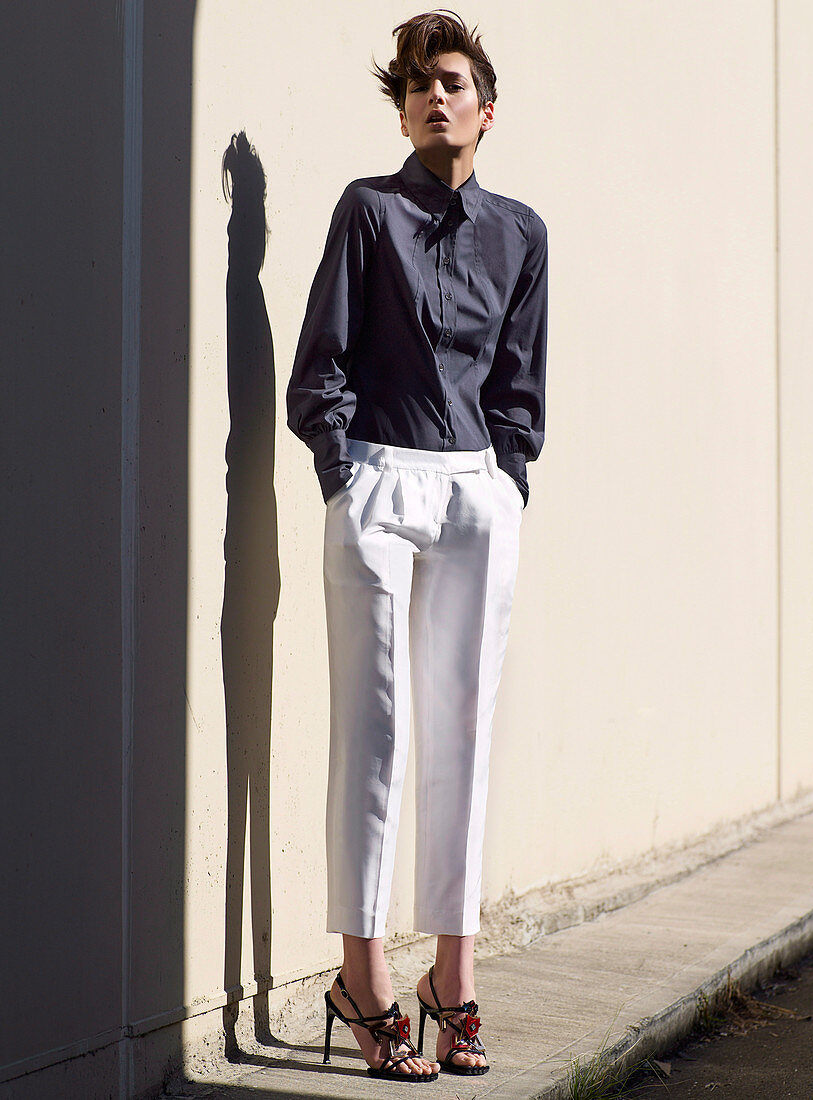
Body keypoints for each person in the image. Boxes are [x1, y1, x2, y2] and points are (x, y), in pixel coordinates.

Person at [286, 9, 547, 1082]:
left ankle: (455, 973)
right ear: (403, 111)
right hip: (380, 482)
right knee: (378, 731)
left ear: (487, 108)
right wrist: (344, 474)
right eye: (413, 87)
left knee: (465, 733)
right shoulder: (366, 211)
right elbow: (320, 365)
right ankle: (366, 979)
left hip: (476, 487)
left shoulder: (523, 231)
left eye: (450, 81)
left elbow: (521, 386)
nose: (431, 96)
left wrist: (508, 480)